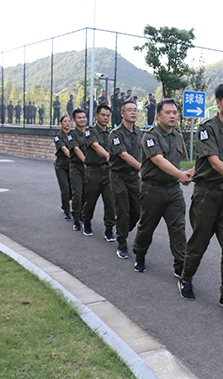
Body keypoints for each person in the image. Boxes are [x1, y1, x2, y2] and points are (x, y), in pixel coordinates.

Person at [178, 83, 223, 307]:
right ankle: (186, 279)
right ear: (218, 102)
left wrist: (195, 168)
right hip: (206, 195)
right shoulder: (206, 128)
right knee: (199, 244)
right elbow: (214, 162)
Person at [132, 98, 194, 275]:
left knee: (178, 229)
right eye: (168, 112)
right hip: (152, 189)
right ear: (158, 115)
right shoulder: (150, 136)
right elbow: (158, 160)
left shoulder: (178, 137)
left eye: (174, 112)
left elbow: (176, 163)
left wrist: (189, 173)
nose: (172, 116)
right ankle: (140, 255)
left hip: (173, 190)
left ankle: (180, 265)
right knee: (146, 227)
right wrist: (181, 175)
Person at [108, 100, 143, 259]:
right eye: (129, 110)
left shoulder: (139, 133)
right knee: (123, 210)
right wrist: (143, 168)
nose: (133, 112)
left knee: (137, 212)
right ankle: (121, 243)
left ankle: (122, 229)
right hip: (119, 176)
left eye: (135, 110)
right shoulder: (116, 134)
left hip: (133, 177)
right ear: (122, 113)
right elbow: (123, 155)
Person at [81, 105, 116, 242]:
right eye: (103, 115)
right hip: (94, 172)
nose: (106, 118)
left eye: (108, 115)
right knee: (90, 201)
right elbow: (95, 146)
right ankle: (86, 222)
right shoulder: (90, 132)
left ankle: (109, 229)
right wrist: (108, 156)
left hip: (108, 172)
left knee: (110, 202)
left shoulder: (112, 134)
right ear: (96, 116)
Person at [68, 108, 88, 231]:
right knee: (77, 193)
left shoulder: (90, 133)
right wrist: (86, 162)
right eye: (79, 118)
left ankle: (83, 216)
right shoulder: (71, 135)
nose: (82, 120)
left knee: (86, 194)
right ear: (74, 120)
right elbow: (76, 149)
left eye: (84, 117)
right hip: (76, 167)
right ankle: (76, 218)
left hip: (89, 168)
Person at [54, 115, 72, 220]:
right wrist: (74, 157)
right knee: (65, 189)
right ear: (61, 123)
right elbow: (64, 149)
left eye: (69, 121)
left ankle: (64, 204)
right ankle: (67, 211)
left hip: (72, 166)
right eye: (65, 121)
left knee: (72, 189)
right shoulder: (58, 136)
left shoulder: (73, 135)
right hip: (61, 165)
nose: (67, 123)